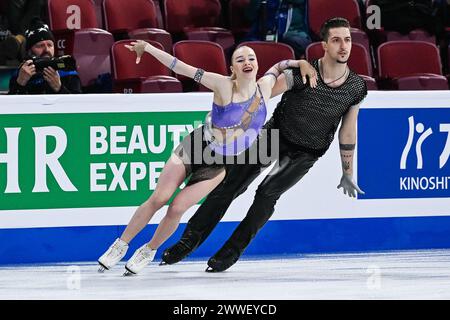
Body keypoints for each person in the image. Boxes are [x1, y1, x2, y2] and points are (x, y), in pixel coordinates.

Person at [161, 17, 368, 272]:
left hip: (306, 152)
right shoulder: (303, 73)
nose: (344, 46)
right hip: (274, 135)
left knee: (266, 194)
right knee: (230, 183)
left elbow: (348, 131)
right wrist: (232, 113)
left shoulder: (357, 87)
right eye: (336, 40)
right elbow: (260, 96)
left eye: (347, 40)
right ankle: (188, 241)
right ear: (324, 45)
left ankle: (230, 252)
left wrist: (348, 172)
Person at [97, 40, 318, 275]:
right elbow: (181, 67)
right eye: (240, 59)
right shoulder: (222, 84)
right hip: (195, 148)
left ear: (257, 64)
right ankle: (120, 245)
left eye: (251, 58)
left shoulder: (265, 87)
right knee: (160, 197)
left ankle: (148, 250)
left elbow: (280, 65)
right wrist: (149, 49)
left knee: (177, 209)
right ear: (232, 68)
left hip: (218, 164)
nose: (247, 62)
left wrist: (301, 62)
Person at [8, 17, 81, 94]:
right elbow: (10, 104)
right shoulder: (21, 73)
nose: (47, 49)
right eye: (40, 46)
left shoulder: (67, 71)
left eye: (50, 45)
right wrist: (20, 83)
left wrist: (59, 88)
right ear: (29, 51)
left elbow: (78, 104)